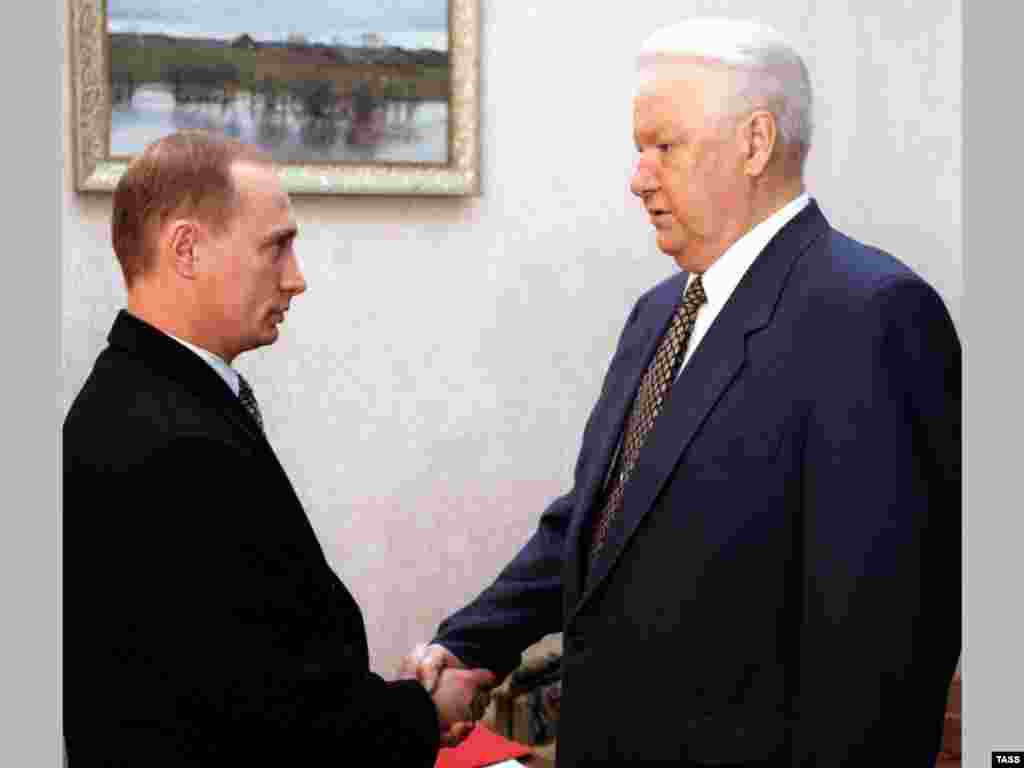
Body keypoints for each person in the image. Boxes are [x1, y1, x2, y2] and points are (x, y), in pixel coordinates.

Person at [406, 17, 961, 767]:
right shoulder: (659, 312)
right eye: (639, 149)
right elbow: (597, 522)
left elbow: (884, 641)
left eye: (663, 146)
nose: (638, 175)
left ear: (755, 143)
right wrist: (470, 644)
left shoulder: (873, 315)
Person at [63, 130, 493, 766]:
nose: (297, 280)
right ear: (186, 248)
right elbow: (281, 720)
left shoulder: (137, 398)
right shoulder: (173, 448)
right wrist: (426, 712)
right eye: (277, 248)